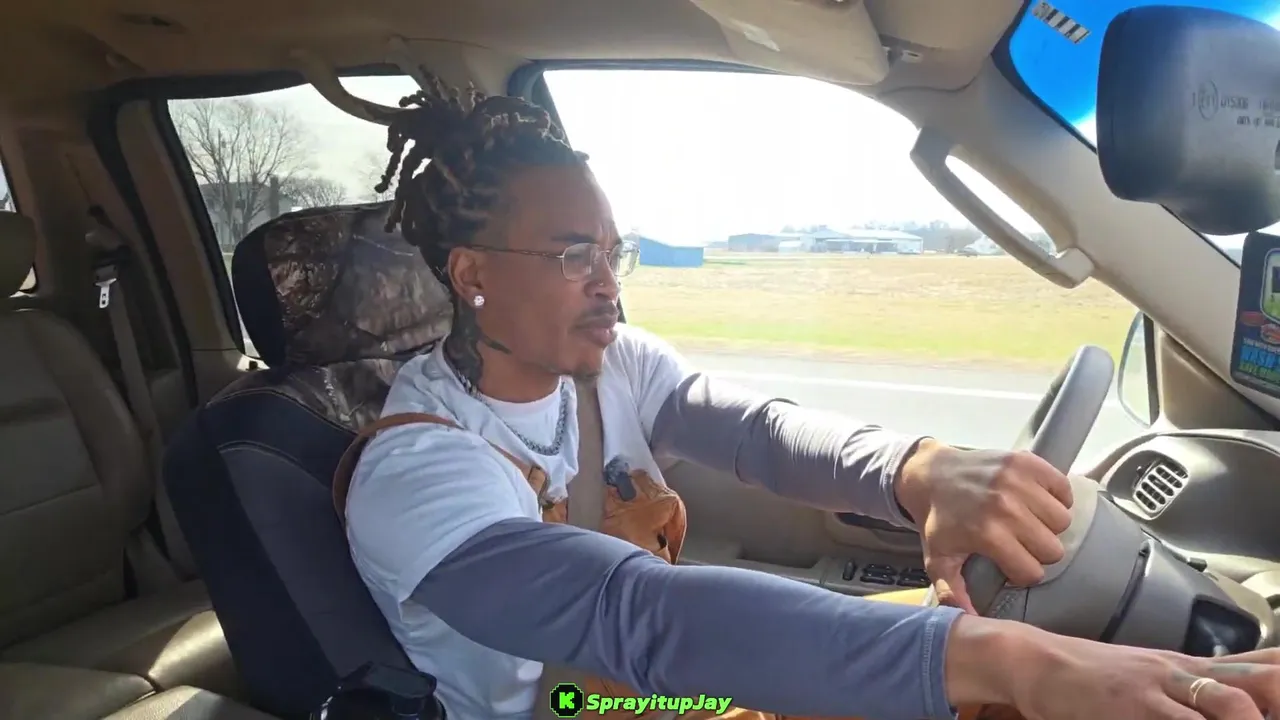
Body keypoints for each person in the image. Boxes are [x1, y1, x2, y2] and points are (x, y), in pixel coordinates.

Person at [338, 76, 1280, 720]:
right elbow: (636, 615)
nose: (610, 286)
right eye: (573, 255)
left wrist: (922, 471)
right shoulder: (418, 467)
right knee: (988, 670)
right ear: (472, 274)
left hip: (661, 688)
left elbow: (759, 433)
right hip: (585, 702)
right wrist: (1013, 665)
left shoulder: (612, 367)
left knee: (985, 657)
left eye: (614, 251)